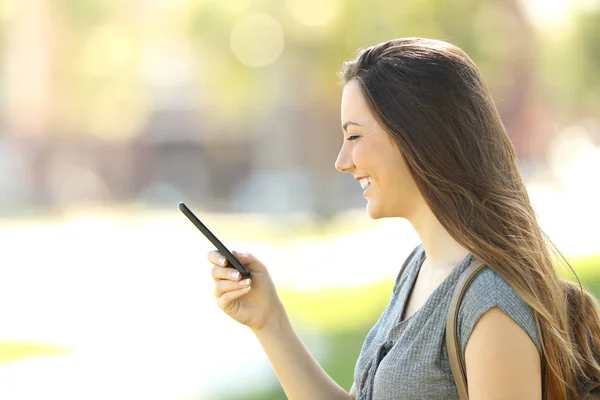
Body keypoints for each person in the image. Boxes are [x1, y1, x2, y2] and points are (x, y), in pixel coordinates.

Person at [207, 38, 600, 400]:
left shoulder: (490, 301)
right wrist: (269, 322)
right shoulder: (419, 268)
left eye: (355, 136)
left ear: (417, 137)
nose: (342, 162)